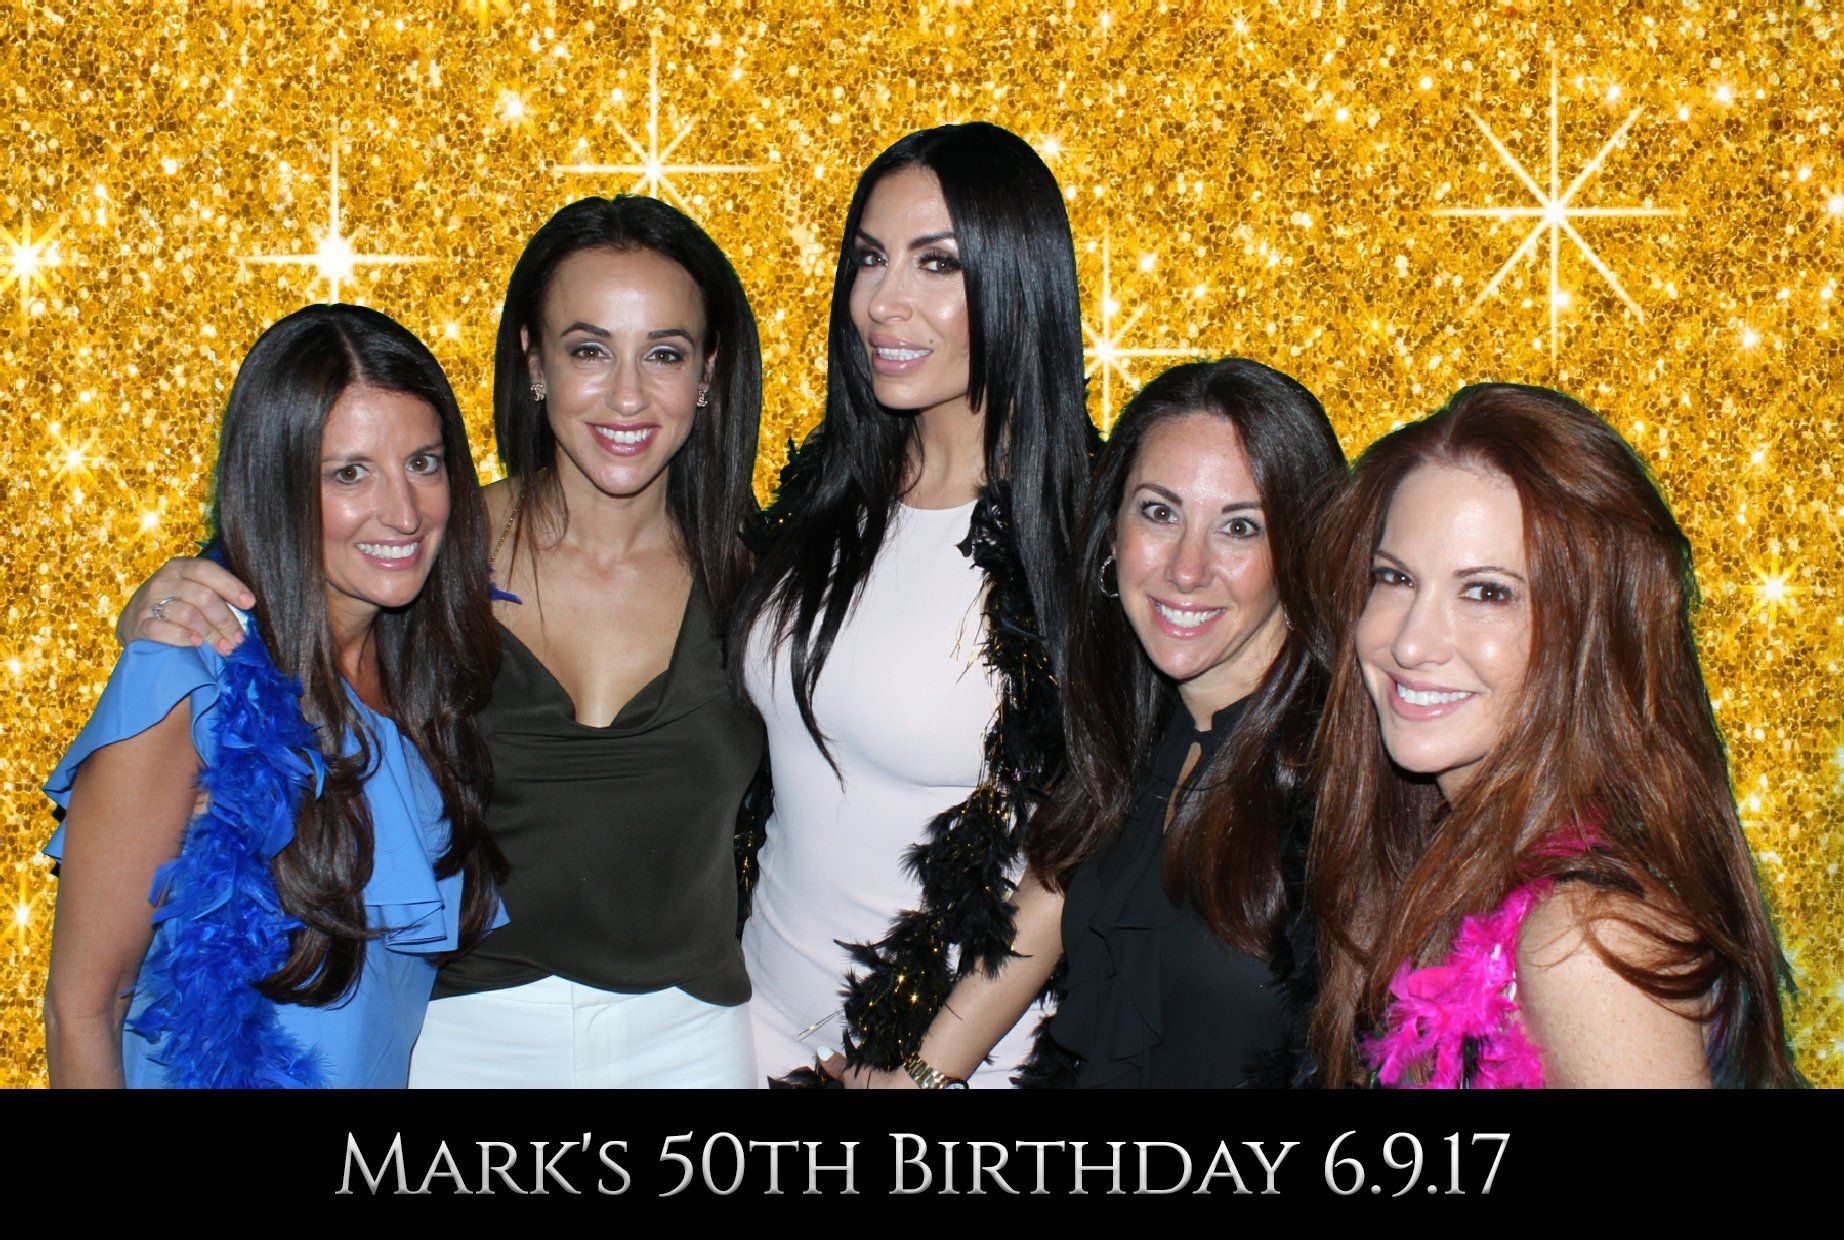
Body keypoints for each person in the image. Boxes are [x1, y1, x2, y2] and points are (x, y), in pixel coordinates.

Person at [113, 196, 767, 1088]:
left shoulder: (768, 584)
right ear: (533, 363)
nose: (626, 395)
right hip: (459, 1041)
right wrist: (164, 608)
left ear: (708, 373)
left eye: (664, 353)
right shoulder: (425, 548)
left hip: (692, 1041)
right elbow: (278, 633)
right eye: (588, 350)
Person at [844, 357, 1345, 1088]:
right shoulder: (1140, 718)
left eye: (1240, 527)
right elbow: (1060, 878)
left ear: (1301, 550)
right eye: (1160, 512)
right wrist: (919, 1078)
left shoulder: (1351, 779)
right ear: (1112, 531)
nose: (1187, 568)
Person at [42, 303, 506, 1088]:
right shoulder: (190, 678)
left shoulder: (429, 677)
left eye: (424, 463)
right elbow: (82, 1009)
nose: (403, 512)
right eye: (349, 473)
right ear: (276, 483)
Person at [731, 121, 1096, 1086]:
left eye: (937, 264)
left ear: (1017, 280)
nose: (881, 302)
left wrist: (922, 1075)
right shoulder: (829, 494)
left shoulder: (1081, 539)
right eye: (869, 259)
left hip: (939, 1066)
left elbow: (1066, 861)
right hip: (752, 1021)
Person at [1307, 382, 1802, 1088]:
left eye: (1487, 592)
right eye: (1396, 578)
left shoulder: (1587, 936)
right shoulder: (1437, 855)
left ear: (1592, 637)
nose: (1411, 643)